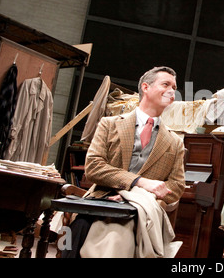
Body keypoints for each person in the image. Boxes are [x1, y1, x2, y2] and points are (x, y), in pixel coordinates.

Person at [62, 66, 185, 258]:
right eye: (166, 84)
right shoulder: (109, 124)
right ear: (145, 87)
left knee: (122, 238)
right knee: (76, 235)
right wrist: (140, 182)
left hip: (141, 212)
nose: (172, 91)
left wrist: (134, 196)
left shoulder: (175, 142)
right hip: (99, 201)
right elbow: (94, 168)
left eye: (174, 87)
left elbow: (176, 186)